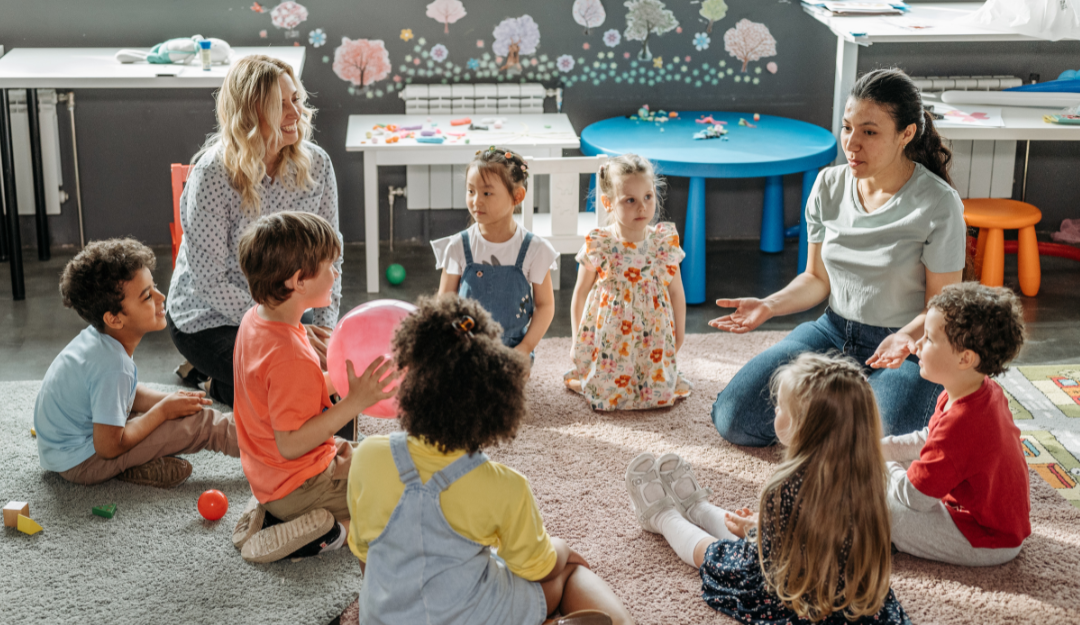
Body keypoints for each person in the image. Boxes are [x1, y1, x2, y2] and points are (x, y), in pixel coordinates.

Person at [710, 68, 967, 446]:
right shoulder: (828, 185)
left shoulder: (938, 203)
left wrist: (905, 338)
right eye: (847, 128)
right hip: (832, 331)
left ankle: (839, 414)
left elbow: (941, 305)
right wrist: (768, 305)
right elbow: (816, 279)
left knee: (883, 445)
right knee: (734, 417)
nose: (851, 143)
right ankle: (842, 412)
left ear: (906, 134)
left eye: (869, 131)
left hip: (904, 346)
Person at [348, 294, 635, 625]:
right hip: (477, 617)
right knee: (567, 573)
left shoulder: (366, 456)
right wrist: (563, 549)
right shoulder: (505, 487)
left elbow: (367, 556)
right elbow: (537, 567)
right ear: (495, 402)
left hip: (381, 618)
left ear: (409, 381)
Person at [626, 353, 910, 624]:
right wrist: (760, 528)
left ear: (804, 427)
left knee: (714, 554)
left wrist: (755, 533)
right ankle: (697, 509)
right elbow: (818, 534)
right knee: (745, 536)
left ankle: (663, 517)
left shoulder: (787, 487)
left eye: (782, 406)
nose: (776, 408)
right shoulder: (871, 476)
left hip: (799, 595)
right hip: (853, 600)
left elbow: (772, 556)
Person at [167, 54, 343, 407]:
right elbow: (210, 282)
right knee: (289, 386)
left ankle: (223, 378)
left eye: (296, 99)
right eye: (280, 105)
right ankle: (213, 382)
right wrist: (285, 327)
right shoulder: (213, 174)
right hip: (209, 319)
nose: (295, 112)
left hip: (285, 307)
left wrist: (325, 333)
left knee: (321, 382)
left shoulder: (317, 164)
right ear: (249, 114)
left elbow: (330, 257)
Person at [229, 212, 401, 564]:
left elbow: (286, 397)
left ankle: (271, 511)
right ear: (298, 282)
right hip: (300, 482)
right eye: (329, 266)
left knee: (382, 456)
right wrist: (354, 402)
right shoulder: (289, 355)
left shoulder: (256, 319)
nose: (335, 274)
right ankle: (326, 531)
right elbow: (291, 444)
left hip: (271, 473)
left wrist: (341, 383)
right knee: (399, 502)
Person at [34, 239, 239, 488]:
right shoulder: (112, 366)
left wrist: (168, 401)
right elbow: (109, 446)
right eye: (147, 296)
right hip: (84, 462)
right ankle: (273, 449)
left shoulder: (101, 339)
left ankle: (138, 463)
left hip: (65, 451)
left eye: (155, 287)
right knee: (200, 424)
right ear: (114, 318)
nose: (161, 296)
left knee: (173, 412)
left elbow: (126, 393)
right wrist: (163, 411)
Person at [882, 283, 1030, 566]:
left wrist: (880, 464)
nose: (917, 345)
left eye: (928, 338)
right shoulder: (974, 390)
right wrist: (881, 449)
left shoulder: (963, 423)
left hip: (988, 537)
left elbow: (914, 498)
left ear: (965, 358)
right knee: (894, 469)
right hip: (981, 514)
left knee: (890, 514)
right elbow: (929, 439)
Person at [564, 154, 690, 411]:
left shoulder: (663, 243)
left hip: (652, 336)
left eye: (647, 197)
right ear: (608, 203)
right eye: (630, 200)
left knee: (656, 392)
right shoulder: (600, 243)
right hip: (611, 337)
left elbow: (676, 292)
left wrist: (680, 334)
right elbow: (580, 293)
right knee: (606, 392)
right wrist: (578, 340)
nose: (642, 207)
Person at [432, 146, 557, 358]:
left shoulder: (535, 249)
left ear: (517, 196)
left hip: (513, 351)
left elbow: (545, 306)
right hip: (466, 348)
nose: (476, 201)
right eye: (471, 191)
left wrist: (524, 349)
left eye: (487, 193)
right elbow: (444, 302)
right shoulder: (458, 246)